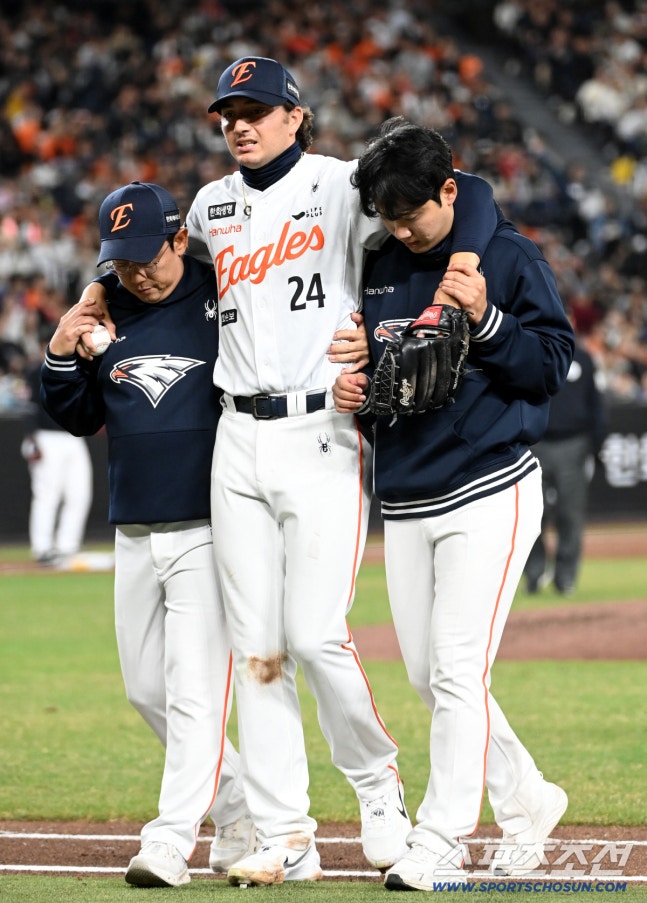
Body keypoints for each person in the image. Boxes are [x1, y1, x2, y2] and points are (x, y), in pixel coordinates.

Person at [183, 57, 500, 886]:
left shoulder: (339, 185)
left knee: (315, 633)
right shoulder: (208, 207)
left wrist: (462, 267)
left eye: (256, 110)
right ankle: (287, 829)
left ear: (297, 116)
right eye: (228, 114)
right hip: (235, 434)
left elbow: (465, 186)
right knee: (256, 645)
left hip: (322, 423)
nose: (240, 125)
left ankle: (376, 782)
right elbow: (165, 284)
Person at [333, 117, 574, 890]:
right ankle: (527, 799)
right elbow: (393, 382)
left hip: (488, 485)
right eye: (388, 216)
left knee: (458, 669)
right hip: (405, 493)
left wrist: (489, 319)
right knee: (428, 675)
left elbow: (550, 367)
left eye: (413, 213)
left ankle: (440, 836)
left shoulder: (503, 255)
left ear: (449, 189)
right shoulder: (378, 263)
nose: (401, 228)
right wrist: (356, 393)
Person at [40, 181, 255, 888]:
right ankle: (239, 810)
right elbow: (75, 414)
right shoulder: (109, 303)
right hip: (135, 521)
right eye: (120, 258)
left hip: (208, 521)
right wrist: (63, 351)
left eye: (145, 256)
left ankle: (169, 839)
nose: (134, 270)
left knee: (194, 689)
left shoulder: (224, 291)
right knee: (144, 689)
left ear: (179, 239)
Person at [524, 322, 608, 594]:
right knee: (531, 515)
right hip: (536, 443)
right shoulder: (532, 355)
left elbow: (596, 403)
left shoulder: (584, 359)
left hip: (573, 444)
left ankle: (566, 579)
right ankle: (534, 575)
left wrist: (596, 444)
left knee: (570, 514)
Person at [22, 323, 92, 567]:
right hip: (46, 437)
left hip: (73, 437)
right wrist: (30, 438)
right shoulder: (34, 369)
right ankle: (42, 548)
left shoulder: (76, 365)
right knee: (47, 494)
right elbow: (29, 408)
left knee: (80, 494)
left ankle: (67, 546)